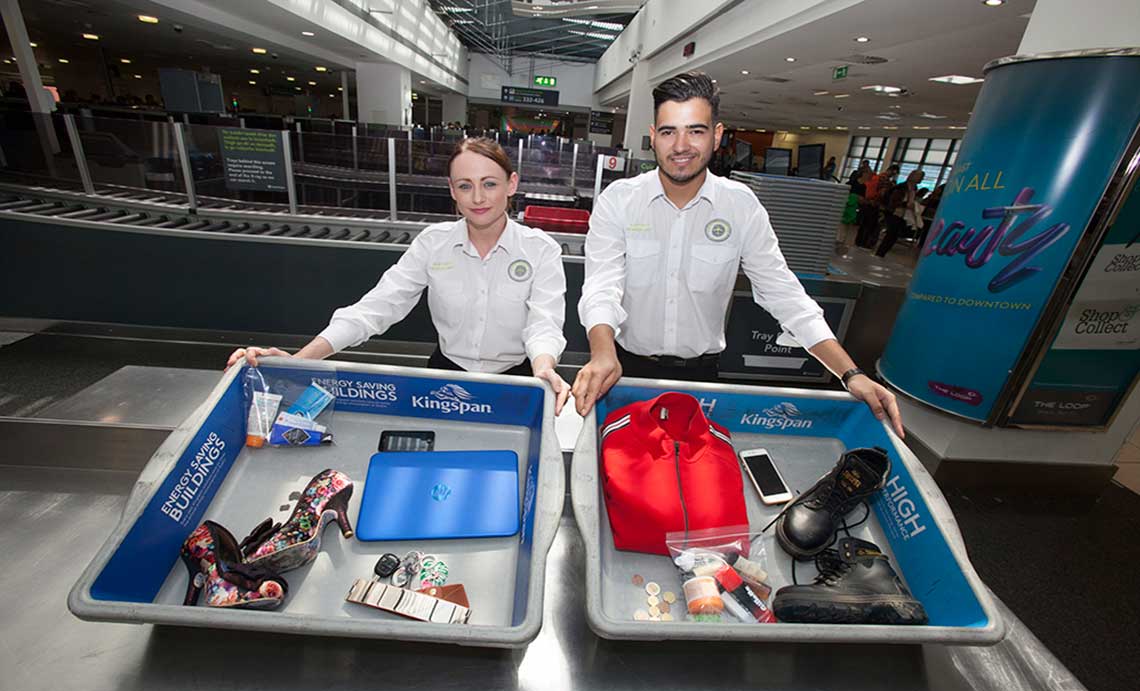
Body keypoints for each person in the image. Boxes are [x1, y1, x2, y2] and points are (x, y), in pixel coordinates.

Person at [570, 71, 903, 437]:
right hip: (624, 368)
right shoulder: (620, 200)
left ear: (717, 135)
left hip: (702, 376)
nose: (681, 145)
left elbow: (784, 293)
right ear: (653, 136)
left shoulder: (740, 205)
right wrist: (602, 353)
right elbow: (602, 286)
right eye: (669, 132)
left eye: (695, 131)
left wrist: (850, 373)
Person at [226, 137, 571, 414]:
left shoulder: (540, 249)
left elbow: (543, 323)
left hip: (520, 381)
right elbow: (378, 307)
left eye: (489, 184)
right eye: (465, 186)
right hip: (446, 379)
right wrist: (300, 361)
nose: (478, 197)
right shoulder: (433, 244)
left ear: (511, 184)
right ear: (452, 190)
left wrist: (543, 368)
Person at [876, 170, 925, 258]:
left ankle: (882, 252)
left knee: (894, 234)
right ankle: (880, 252)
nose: (921, 178)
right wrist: (905, 204)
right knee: (891, 233)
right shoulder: (901, 187)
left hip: (904, 214)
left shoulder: (914, 188)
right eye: (919, 176)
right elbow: (893, 201)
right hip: (894, 212)